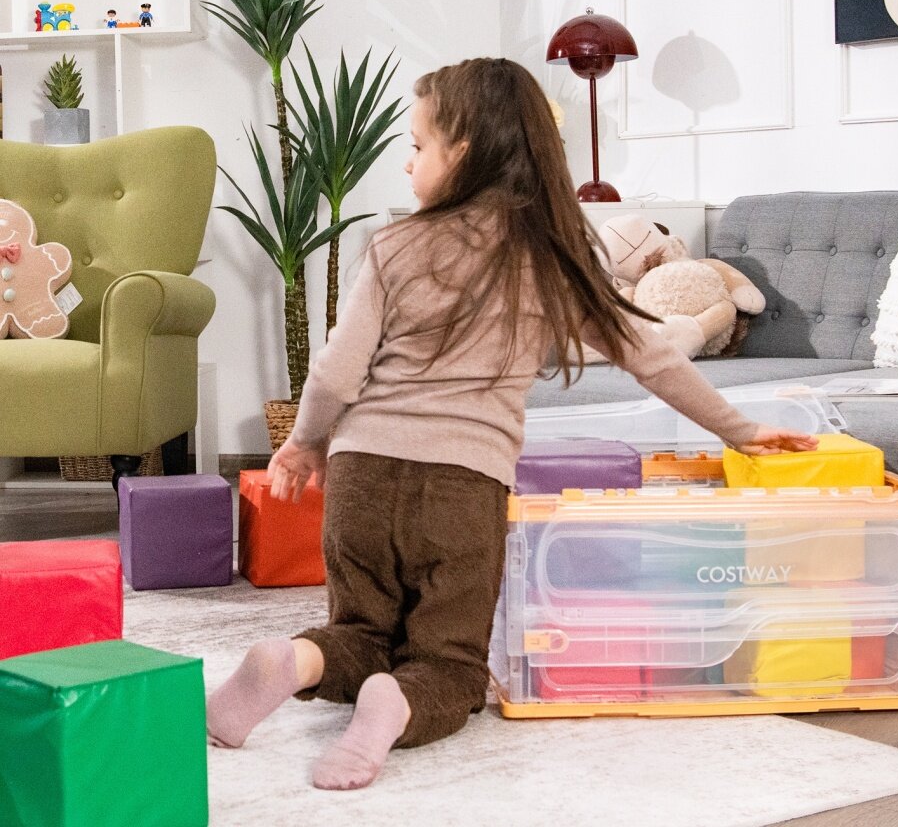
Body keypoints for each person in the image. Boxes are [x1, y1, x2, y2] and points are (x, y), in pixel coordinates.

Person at [206, 57, 818, 791]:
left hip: (362, 476)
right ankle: (395, 702)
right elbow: (651, 354)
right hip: (462, 488)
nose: (407, 162)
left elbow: (338, 370)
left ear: (463, 152)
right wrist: (738, 430)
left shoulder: (393, 246)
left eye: (418, 146)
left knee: (360, 630)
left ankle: (293, 661)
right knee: (449, 663)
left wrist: (306, 443)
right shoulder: (547, 258)